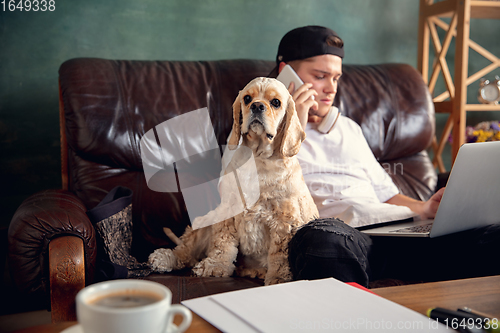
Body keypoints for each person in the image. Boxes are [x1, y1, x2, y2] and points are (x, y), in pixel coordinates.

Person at [273, 25, 500, 287]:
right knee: (323, 240)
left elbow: (388, 195)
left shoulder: (348, 128)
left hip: (390, 233)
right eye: (321, 76)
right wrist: (293, 128)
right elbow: (263, 196)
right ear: (285, 72)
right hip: (338, 235)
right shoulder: (261, 130)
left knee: (491, 237)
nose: (331, 89)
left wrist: (426, 208)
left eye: (336, 78)